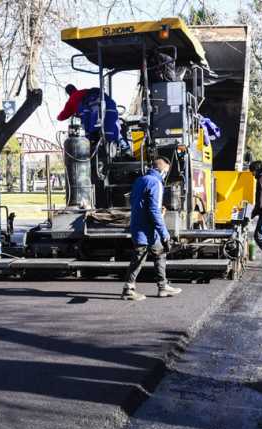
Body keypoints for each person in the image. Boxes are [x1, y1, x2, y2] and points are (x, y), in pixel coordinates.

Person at [122, 158, 183, 301]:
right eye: (166, 172)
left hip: (140, 224)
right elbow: (154, 210)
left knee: (159, 252)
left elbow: (136, 202)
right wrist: (165, 233)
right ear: (161, 170)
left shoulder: (140, 180)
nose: (165, 175)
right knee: (139, 256)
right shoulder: (156, 183)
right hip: (146, 228)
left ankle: (163, 287)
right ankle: (128, 289)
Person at [57, 84, 121, 147]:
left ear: (68, 93)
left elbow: (65, 114)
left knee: (88, 132)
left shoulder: (71, 99)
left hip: (88, 116)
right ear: (75, 88)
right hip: (100, 112)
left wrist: (58, 117)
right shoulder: (85, 91)